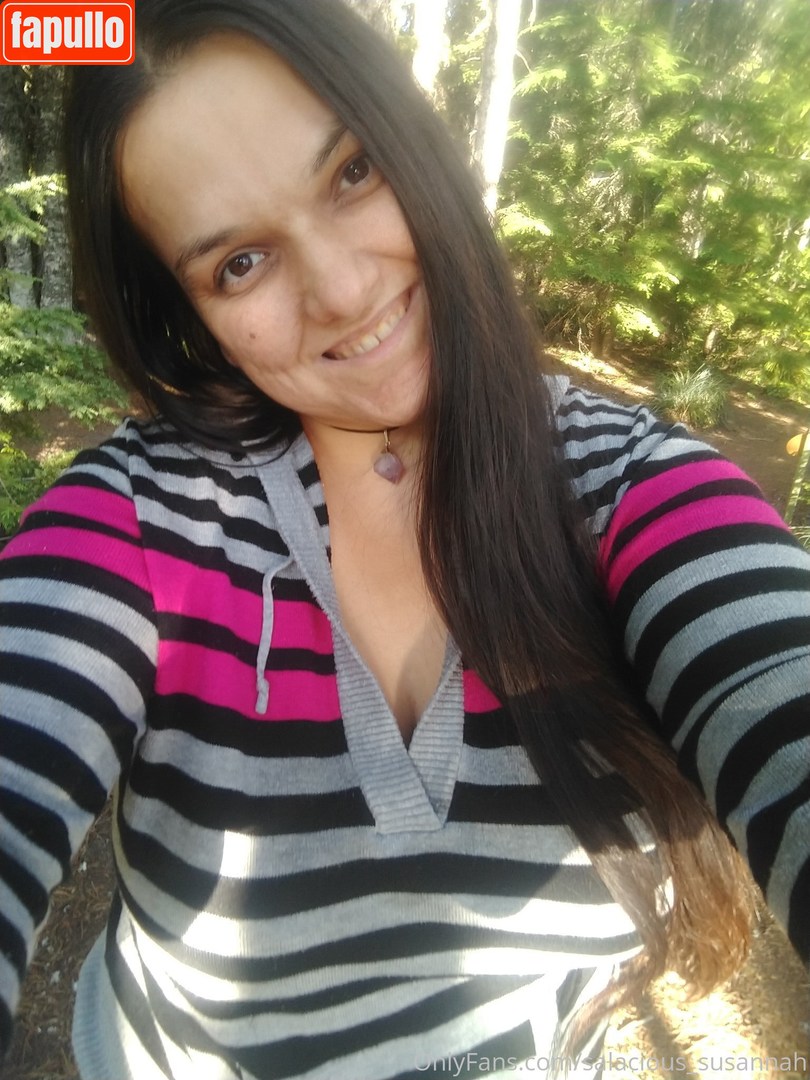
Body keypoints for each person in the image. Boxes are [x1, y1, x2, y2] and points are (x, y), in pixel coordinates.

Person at [0, 1, 808, 1077]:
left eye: (352, 172)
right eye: (239, 262)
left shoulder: (633, 491)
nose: (342, 291)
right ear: (190, 318)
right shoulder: (141, 524)